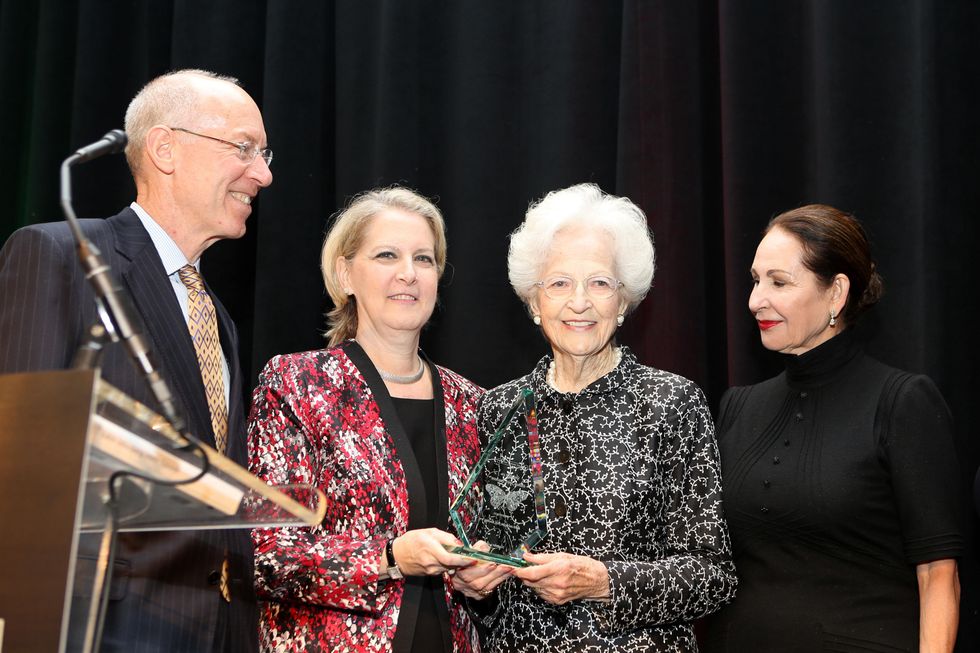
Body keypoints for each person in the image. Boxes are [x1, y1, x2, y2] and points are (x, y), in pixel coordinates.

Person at [0, 69, 273, 651]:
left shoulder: (217, 315)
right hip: (106, 628)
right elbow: (19, 470)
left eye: (265, 153)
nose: (264, 174)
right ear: (165, 149)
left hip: (222, 630)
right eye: (244, 149)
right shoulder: (61, 256)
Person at [453, 183, 737, 651]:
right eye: (559, 283)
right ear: (533, 301)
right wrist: (477, 581)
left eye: (600, 283)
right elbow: (494, 554)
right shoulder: (499, 408)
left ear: (623, 302)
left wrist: (601, 580)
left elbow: (713, 576)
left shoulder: (671, 403)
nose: (579, 302)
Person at [705, 204, 964, 652]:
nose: (755, 300)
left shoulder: (902, 402)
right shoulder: (737, 406)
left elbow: (938, 575)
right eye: (755, 279)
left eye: (779, 282)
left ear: (836, 293)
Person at [247, 187, 483, 652]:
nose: (408, 274)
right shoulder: (298, 383)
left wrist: (485, 571)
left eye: (425, 259)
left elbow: (485, 537)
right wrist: (390, 557)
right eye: (387, 255)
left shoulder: (470, 401)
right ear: (345, 274)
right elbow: (265, 554)